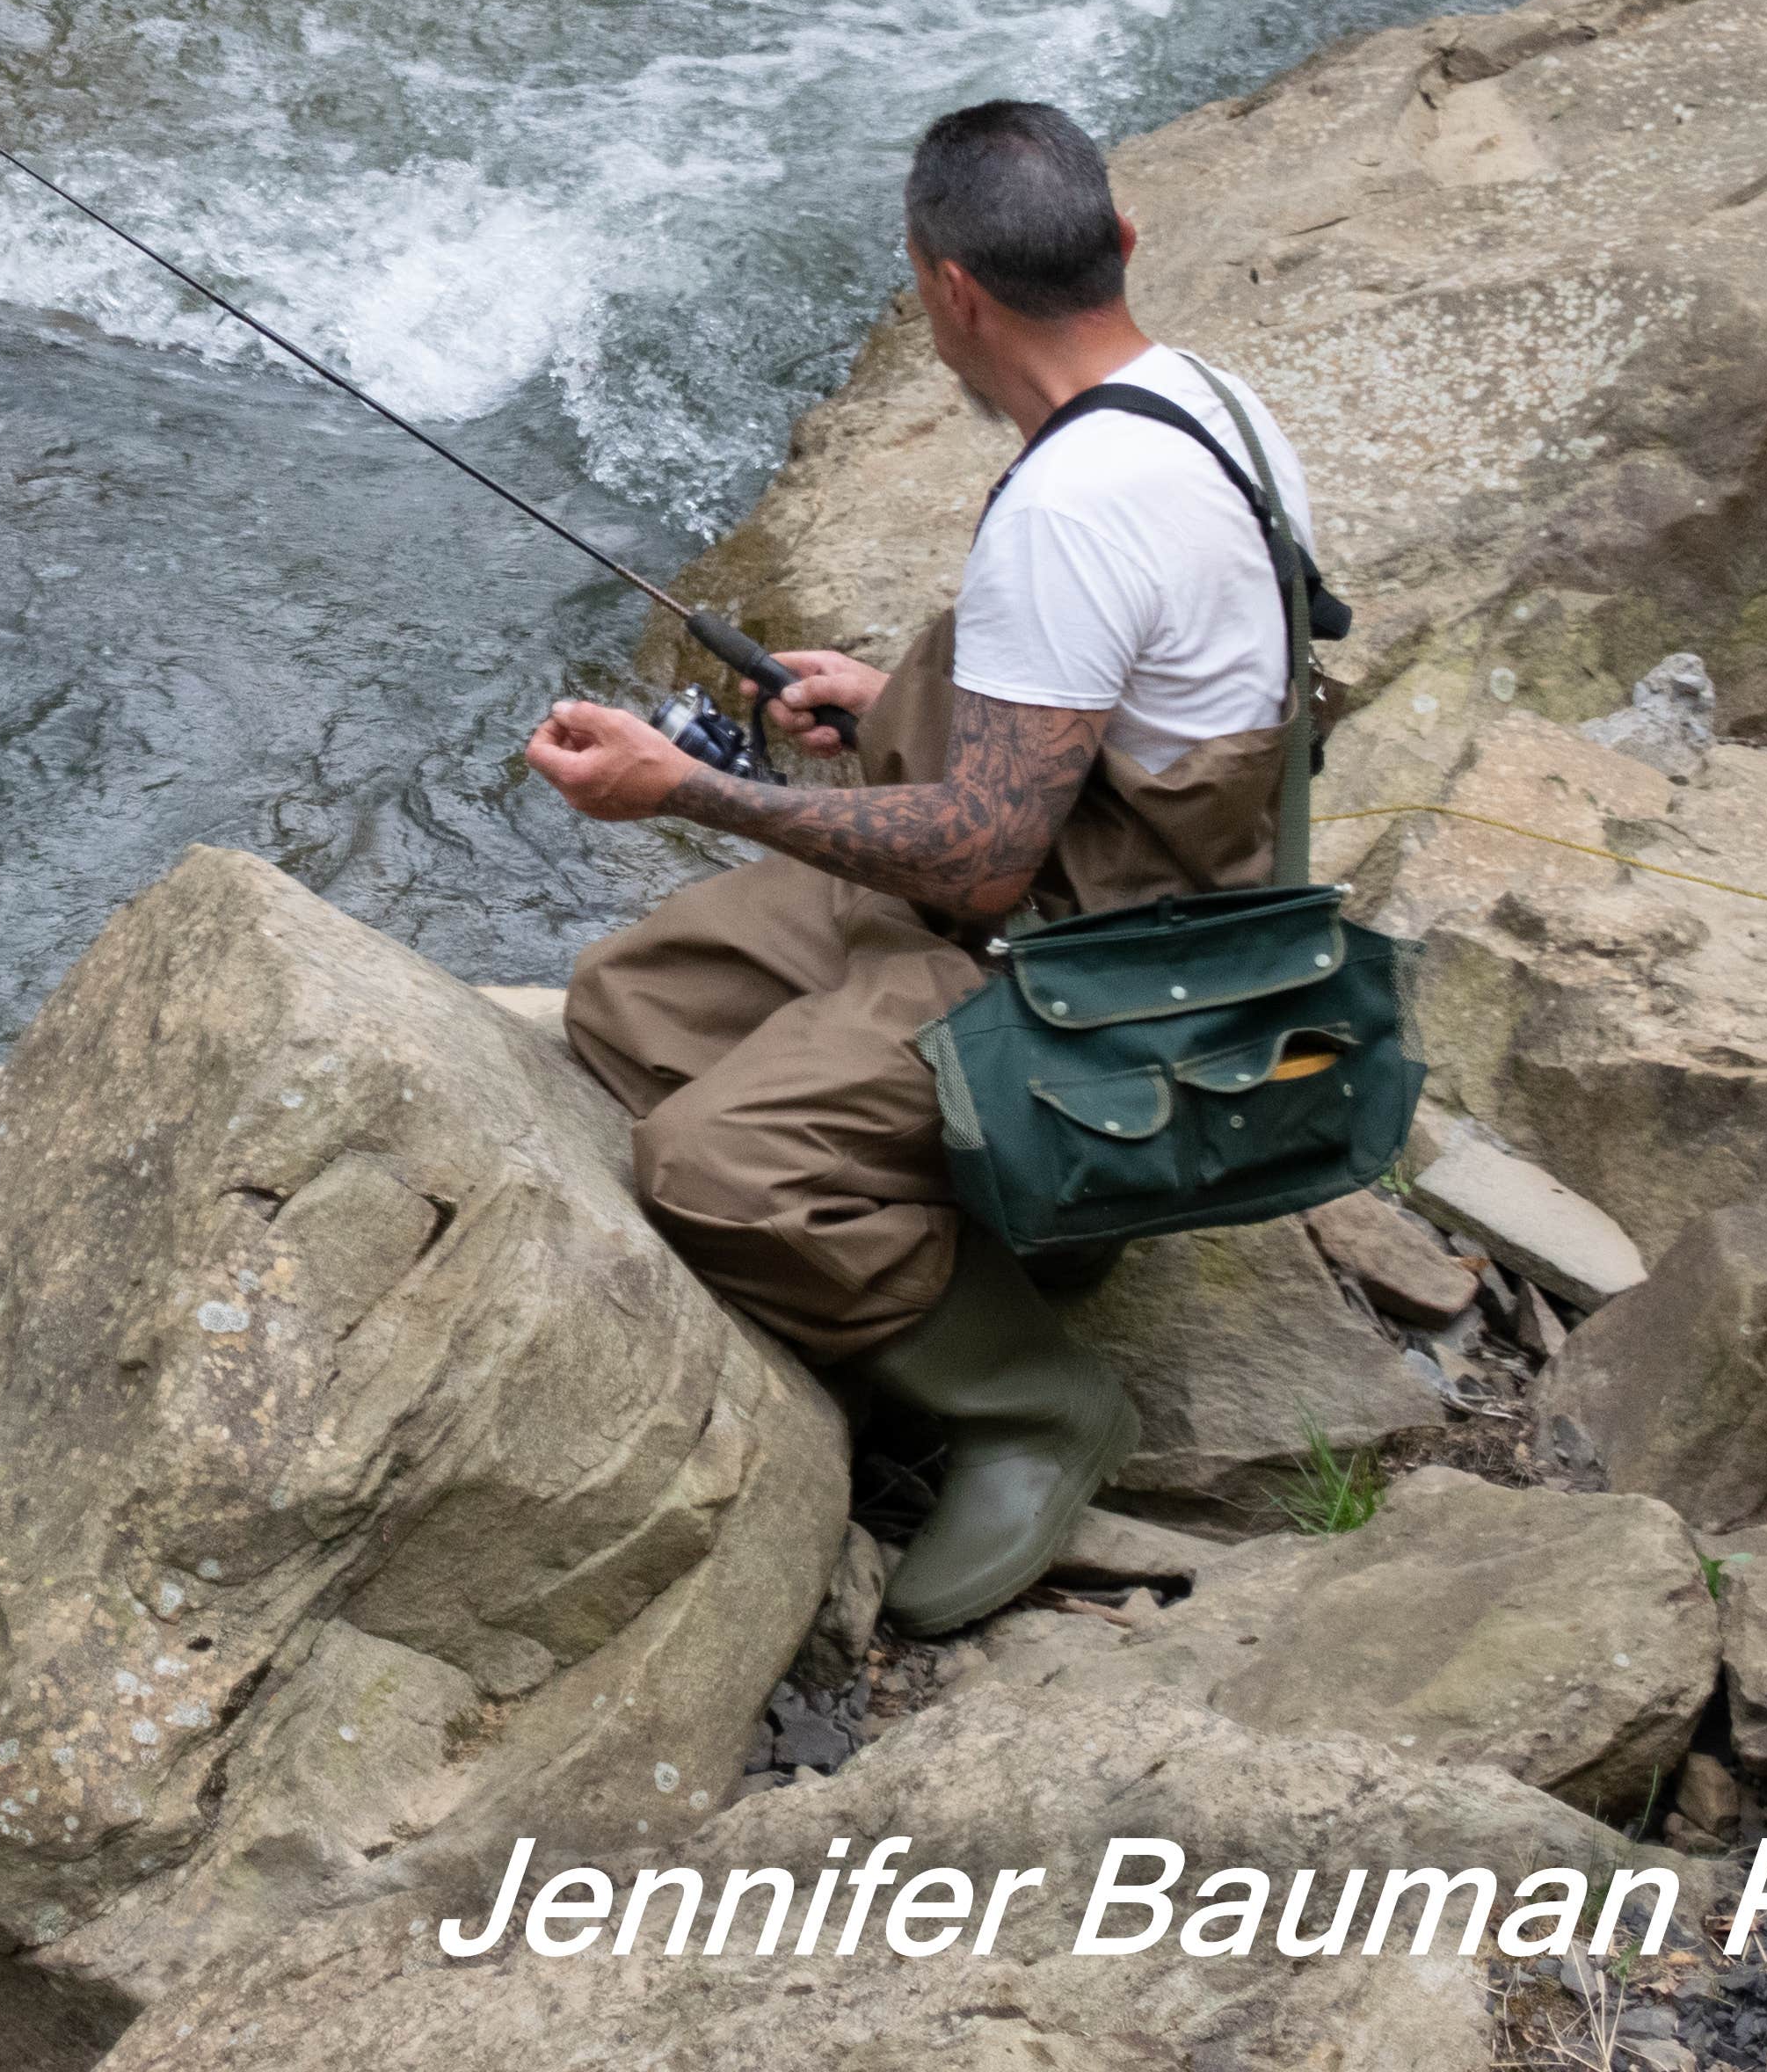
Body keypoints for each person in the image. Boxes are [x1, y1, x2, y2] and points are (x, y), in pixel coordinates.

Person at [522, 98, 1329, 1636]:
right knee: (639, 1007)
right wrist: (891, 703)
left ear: (947, 290)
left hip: (1105, 975)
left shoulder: (1074, 508)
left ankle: (1031, 1399)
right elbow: (1113, 701)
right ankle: (958, 1247)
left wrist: (687, 787)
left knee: (712, 1161)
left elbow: (976, 860)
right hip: (1109, 891)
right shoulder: (1202, 403)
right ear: (1121, 245)